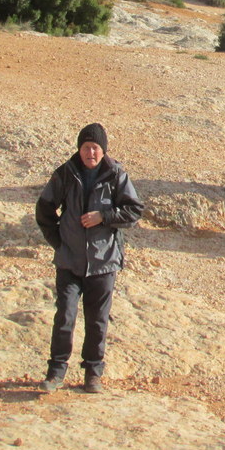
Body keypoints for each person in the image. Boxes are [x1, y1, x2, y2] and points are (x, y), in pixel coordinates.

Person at [35, 123, 144, 393]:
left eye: (95, 148)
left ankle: (93, 372)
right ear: (79, 148)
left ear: (103, 149)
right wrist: (58, 242)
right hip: (70, 262)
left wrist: (103, 217)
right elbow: (44, 209)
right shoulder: (65, 174)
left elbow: (133, 211)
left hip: (103, 262)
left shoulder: (116, 174)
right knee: (65, 316)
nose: (90, 153)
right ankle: (56, 371)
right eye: (86, 147)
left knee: (97, 319)